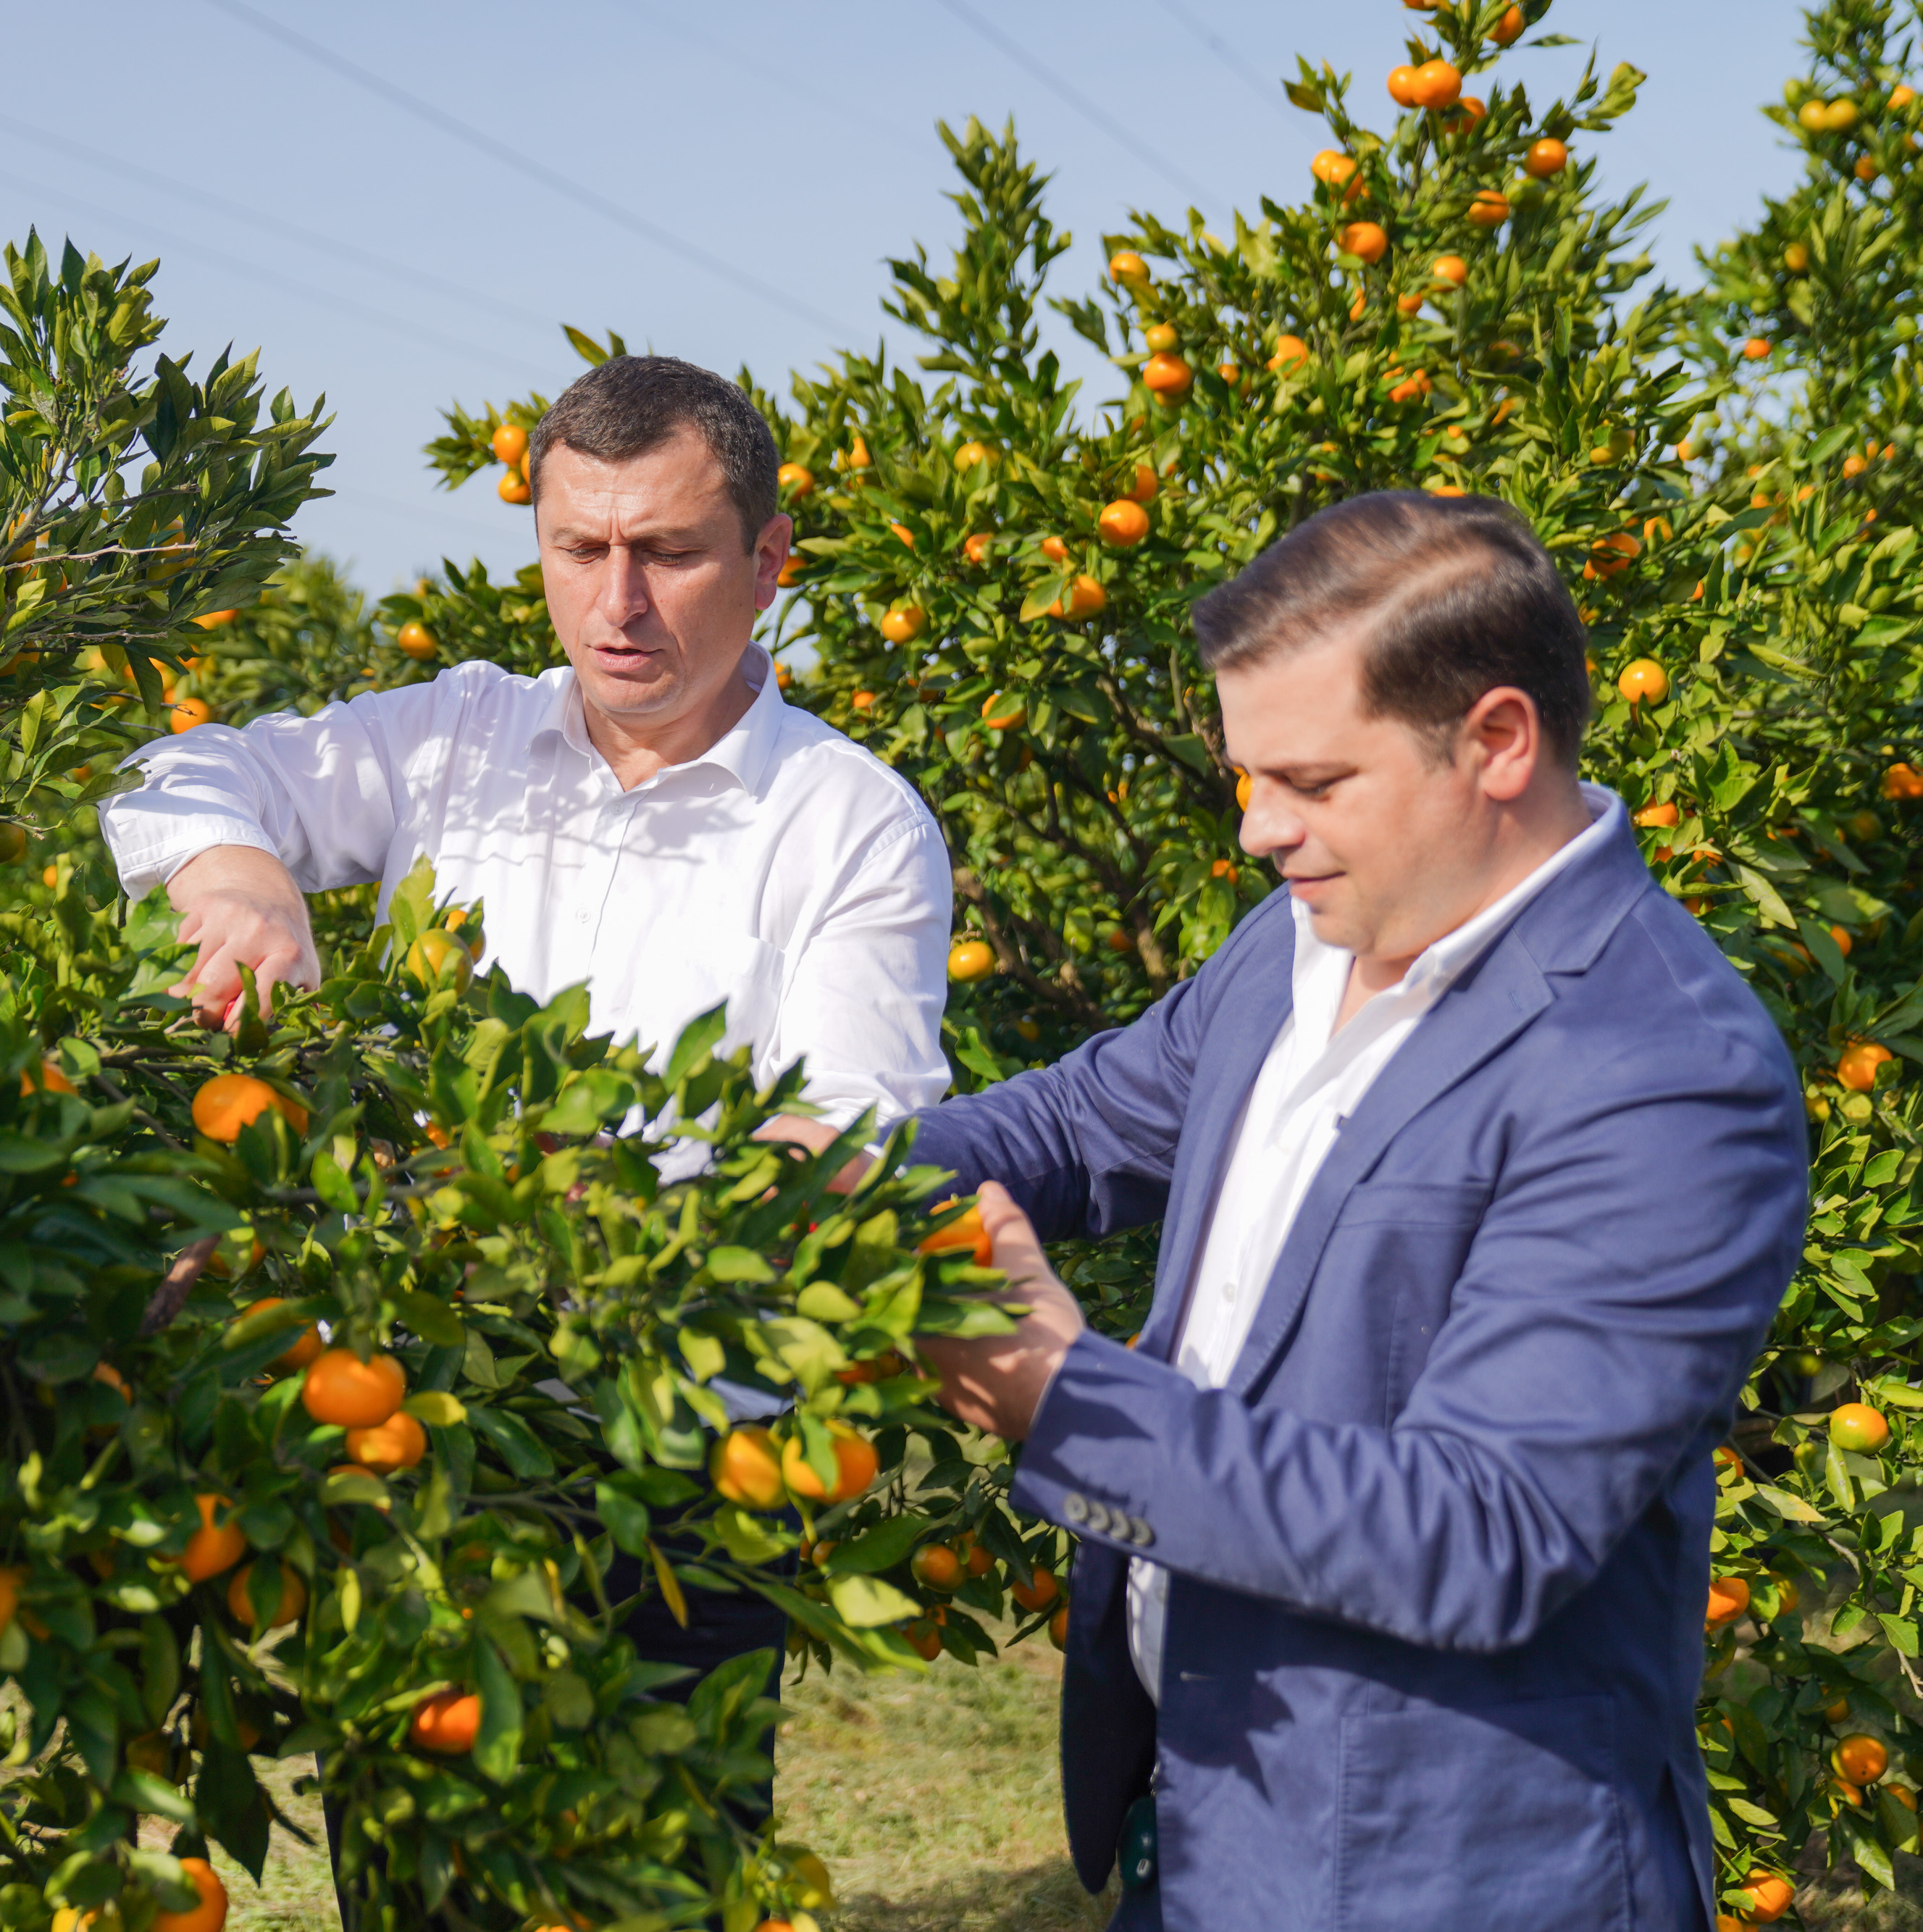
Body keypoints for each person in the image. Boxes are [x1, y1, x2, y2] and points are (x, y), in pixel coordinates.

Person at [774, 491, 1807, 1930]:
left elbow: (1479, 1526)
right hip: (1194, 1823)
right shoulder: (1305, 935)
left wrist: (1058, 1395)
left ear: (1496, 741)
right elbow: (1082, 1119)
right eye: (1245, 773)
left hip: (1440, 1875)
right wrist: (854, 1174)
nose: (1259, 829)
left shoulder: (1659, 1073)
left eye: (1310, 780)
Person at [99, 353, 954, 1830]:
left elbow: (849, 1140)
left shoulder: (848, 825)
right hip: (408, 1438)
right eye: (580, 550)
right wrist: (244, 881)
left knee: (656, 1875)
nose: (616, 602)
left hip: (680, 1468)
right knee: (416, 1865)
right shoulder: (460, 736)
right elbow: (180, 770)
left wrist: (582, 1215)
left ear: (766, 562)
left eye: (667, 553)